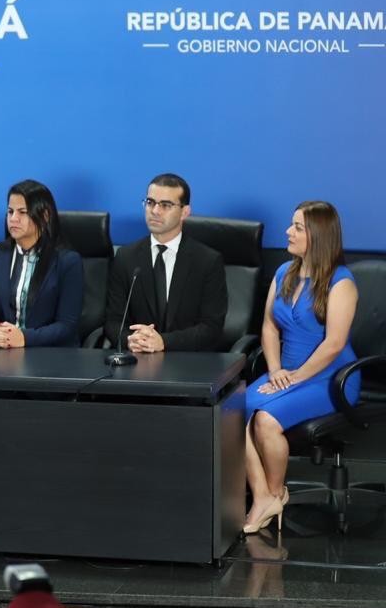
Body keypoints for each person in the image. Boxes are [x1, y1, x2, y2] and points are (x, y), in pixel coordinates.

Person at [242, 201, 359, 534]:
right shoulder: (283, 273)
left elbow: (334, 343)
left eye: (297, 227)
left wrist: (292, 379)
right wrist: (277, 369)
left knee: (265, 420)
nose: (287, 232)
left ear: (318, 236)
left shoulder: (342, 282)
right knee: (229, 412)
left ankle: (276, 492)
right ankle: (265, 496)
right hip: (286, 373)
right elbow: (268, 327)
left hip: (330, 377)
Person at [104, 173, 227, 352]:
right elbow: (113, 321)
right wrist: (130, 340)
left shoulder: (207, 261)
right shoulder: (126, 257)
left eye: (165, 205)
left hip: (189, 361)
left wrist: (164, 342)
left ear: (185, 212)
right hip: (138, 359)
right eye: (150, 202)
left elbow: (212, 328)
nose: (155, 211)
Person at [0, 180, 83, 348]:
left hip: (49, 355)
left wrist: (24, 338)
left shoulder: (67, 261)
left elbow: (67, 325)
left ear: (45, 216)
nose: (13, 219)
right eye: (10, 212)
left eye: (22, 212)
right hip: (1, 353)